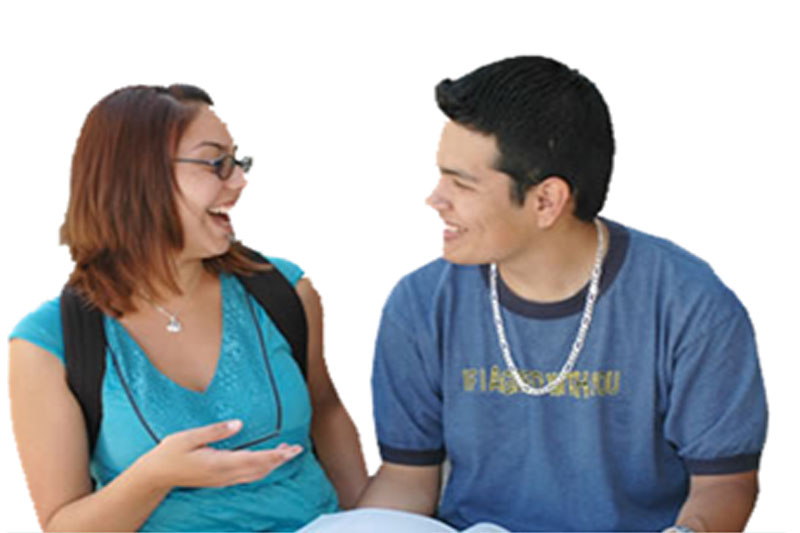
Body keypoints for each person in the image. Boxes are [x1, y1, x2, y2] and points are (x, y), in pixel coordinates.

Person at [357, 56, 767, 532]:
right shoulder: (419, 304)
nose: (435, 199)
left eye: (461, 184)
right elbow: (407, 477)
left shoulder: (690, 304)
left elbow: (724, 485)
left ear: (546, 201)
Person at [8, 84, 367, 532]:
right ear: (138, 177)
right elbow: (63, 525)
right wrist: (155, 477)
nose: (238, 181)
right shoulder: (48, 344)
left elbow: (326, 412)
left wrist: (371, 517)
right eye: (215, 163)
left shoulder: (282, 291)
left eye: (237, 162)